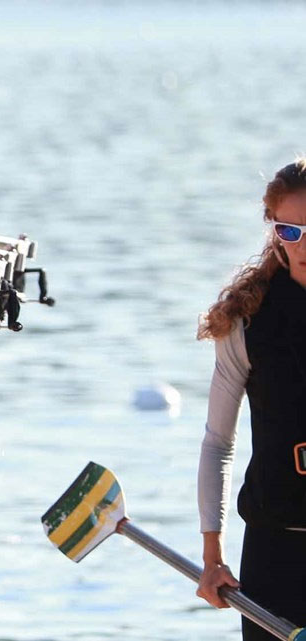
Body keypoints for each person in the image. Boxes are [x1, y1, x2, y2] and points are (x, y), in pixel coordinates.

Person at [195, 159, 306, 637]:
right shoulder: (246, 321)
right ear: (275, 230)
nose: (303, 245)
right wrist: (212, 557)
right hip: (272, 554)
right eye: (291, 230)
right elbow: (218, 441)